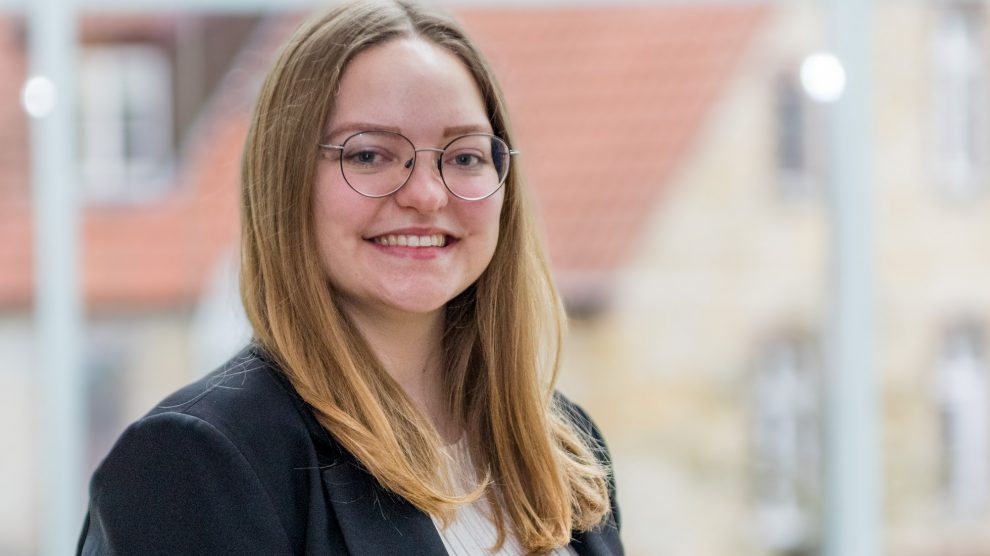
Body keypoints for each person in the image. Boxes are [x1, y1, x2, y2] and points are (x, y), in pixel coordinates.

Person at [76, 1, 622, 554]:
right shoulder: (193, 464)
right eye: (368, 154)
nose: (428, 195)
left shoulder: (563, 446)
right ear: (285, 179)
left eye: (464, 157)